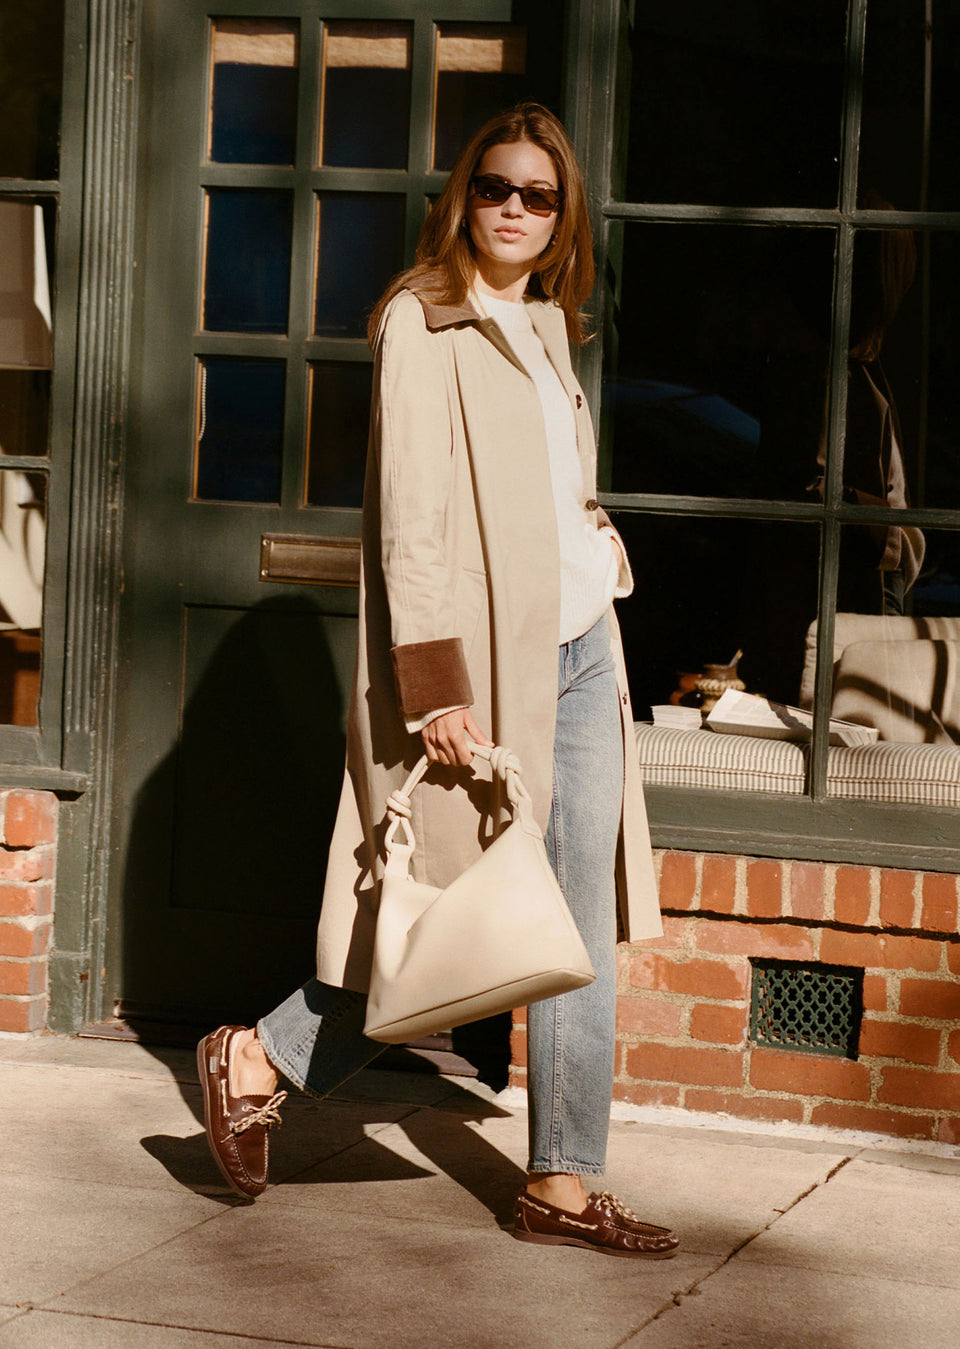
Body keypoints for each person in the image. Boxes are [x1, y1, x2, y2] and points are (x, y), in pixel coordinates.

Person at [197, 102, 678, 1259]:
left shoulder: (552, 323)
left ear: (564, 216)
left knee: (573, 928)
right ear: (465, 196)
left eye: (540, 195)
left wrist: (595, 532)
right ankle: (263, 1052)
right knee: (462, 917)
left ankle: (562, 1184)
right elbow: (412, 523)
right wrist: (436, 691)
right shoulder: (423, 318)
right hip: (482, 667)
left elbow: (549, 482)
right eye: (496, 188)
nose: (515, 209)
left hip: (579, 649)